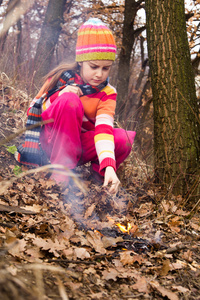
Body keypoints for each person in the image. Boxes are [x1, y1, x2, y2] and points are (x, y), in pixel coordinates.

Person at [21, 18, 136, 194]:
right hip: (50, 141)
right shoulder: (61, 77)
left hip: (77, 147)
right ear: (81, 61)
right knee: (69, 101)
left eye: (106, 68)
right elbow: (33, 110)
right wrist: (61, 94)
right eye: (94, 66)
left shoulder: (107, 92)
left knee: (123, 139)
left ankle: (100, 181)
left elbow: (103, 130)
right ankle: (60, 176)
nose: (99, 74)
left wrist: (109, 166)